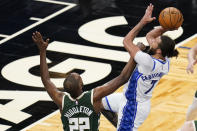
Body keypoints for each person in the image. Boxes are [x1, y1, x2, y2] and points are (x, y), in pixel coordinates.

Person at [32, 31, 146, 131]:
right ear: (81, 85)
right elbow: (123, 78)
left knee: (106, 105)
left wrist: (42, 51)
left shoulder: (61, 100)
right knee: (106, 104)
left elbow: (46, 80)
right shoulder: (94, 97)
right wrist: (135, 54)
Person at [102, 3, 179, 131]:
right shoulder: (165, 60)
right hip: (127, 98)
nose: (152, 40)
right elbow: (150, 35)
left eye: (156, 41)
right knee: (97, 101)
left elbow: (126, 41)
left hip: (134, 106)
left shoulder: (147, 61)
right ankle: (121, 126)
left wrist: (143, 21)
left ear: (159, 50)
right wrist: (167, 27)